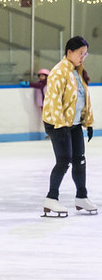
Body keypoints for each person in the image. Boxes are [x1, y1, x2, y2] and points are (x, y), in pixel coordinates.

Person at [41, 36, 96, 217]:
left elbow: (83, 99)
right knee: (64, 161)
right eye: (80, 53)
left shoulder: (77, 71)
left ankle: (81, 196)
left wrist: (87, 122)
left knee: (80, 160)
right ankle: (51, 199)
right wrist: (60, 125)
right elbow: (53, 100)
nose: (83, 57)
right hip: (57, 123)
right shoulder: (58, 72)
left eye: (85, 54)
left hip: (73, 124)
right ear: (69, 52)